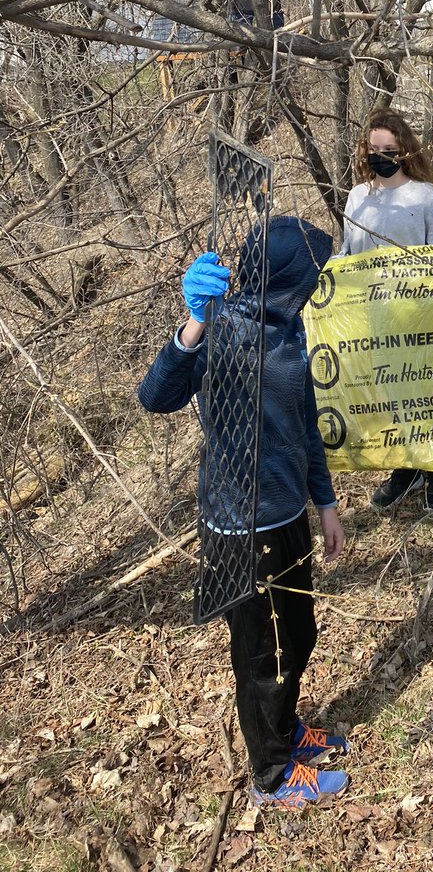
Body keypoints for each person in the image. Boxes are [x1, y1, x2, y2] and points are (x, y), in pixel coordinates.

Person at [137, 217, 349, 810]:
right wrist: (194, 324)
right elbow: (156, 396)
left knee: (298, 636)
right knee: (262, 654)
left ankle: (285, 729)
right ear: (286, 273)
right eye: (311, 271)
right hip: (239, 525)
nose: (316, 282)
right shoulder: (223, 327)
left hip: (287, 515)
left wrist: (325, 503)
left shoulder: (289, 328)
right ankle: (272, 773)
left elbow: (305, 423)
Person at [338, 107, 433, 512]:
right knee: (388, 393)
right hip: (372, 317)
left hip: (418, 312)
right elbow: (349, 254)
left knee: (424, 390)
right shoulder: (357, 197)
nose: (381, 155)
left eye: (390, 149)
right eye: (374, 148)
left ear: (404, 150)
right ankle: (405, 466)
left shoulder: (423, 195)